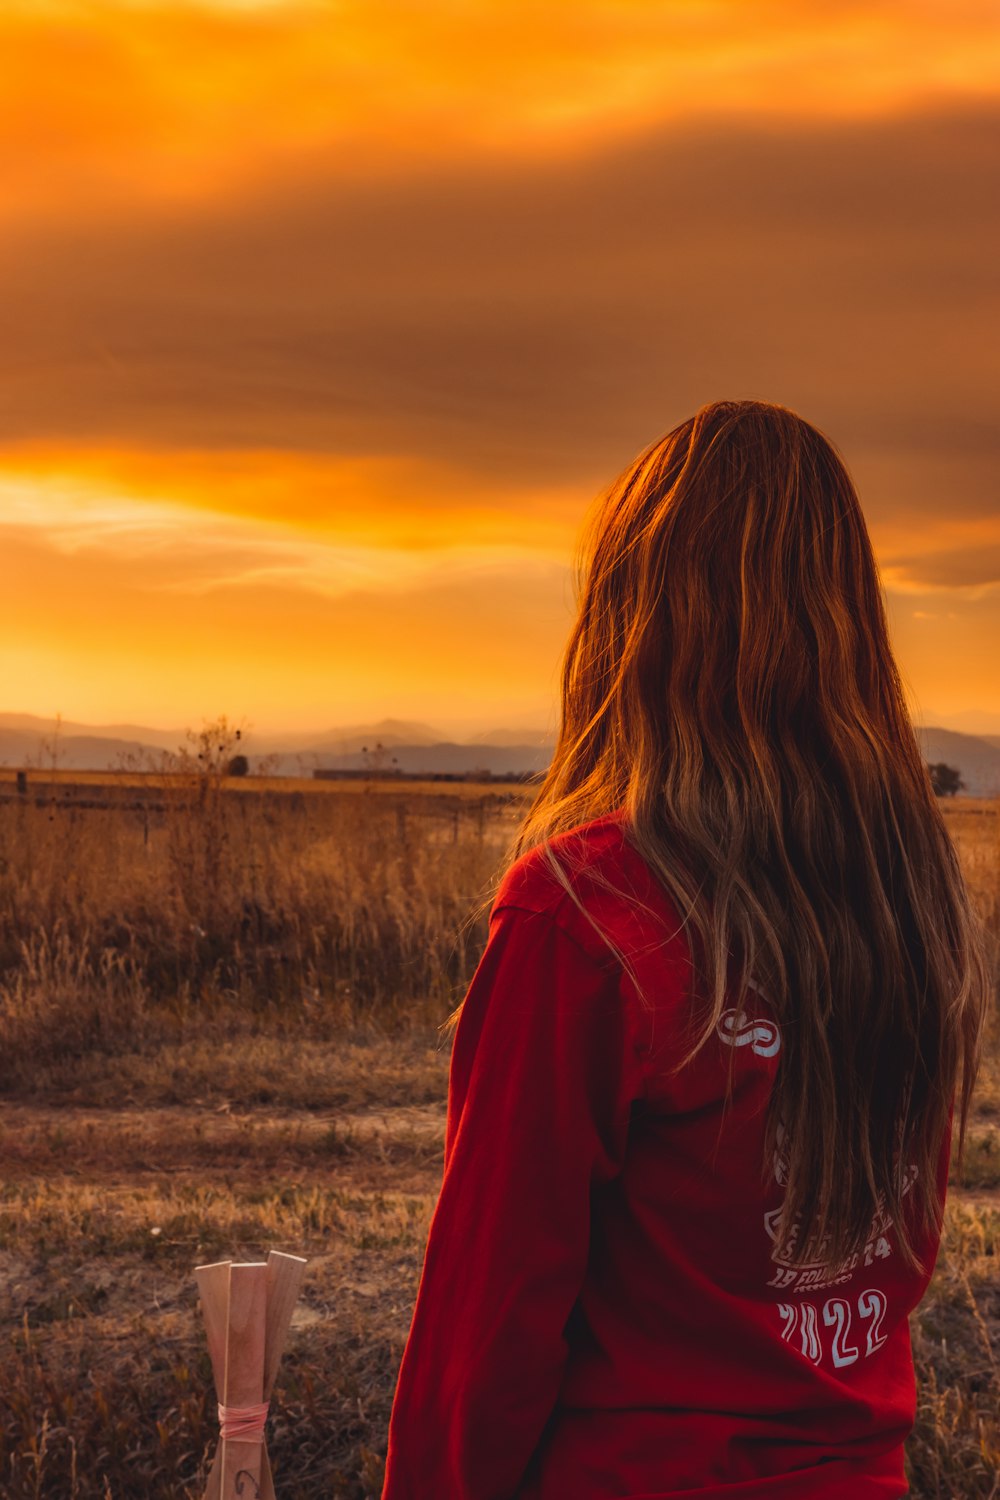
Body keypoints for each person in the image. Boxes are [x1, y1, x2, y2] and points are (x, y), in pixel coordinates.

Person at [379, 399, 988, 1499]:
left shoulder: (585, 911)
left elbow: (485, 1334)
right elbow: (893, 1260)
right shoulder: (914, 900)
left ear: (633, 616)